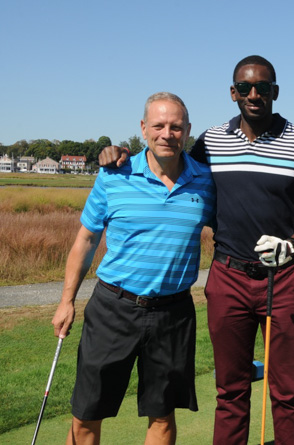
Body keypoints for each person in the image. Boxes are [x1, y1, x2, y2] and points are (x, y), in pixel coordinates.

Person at [99, 55, 294, 444]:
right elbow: (170, 164)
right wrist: (121, 153)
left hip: (282, 278)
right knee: (231, 390)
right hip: (228, 277)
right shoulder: (211, 140)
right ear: (233, 93)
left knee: (287, 390)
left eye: (263, 87)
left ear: (275, 91)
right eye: (245, 87)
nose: (254, 94)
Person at [52, 92, 215, 444]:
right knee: (86, 415)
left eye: (176, 127)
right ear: (143, 128)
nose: (167, 134)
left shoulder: (206, 181)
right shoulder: (114, 174)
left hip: (174, 313)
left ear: (188, 130)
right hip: (113, 308)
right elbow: (86, 241)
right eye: (158, 125)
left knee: (163, 416)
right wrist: (67, 301)